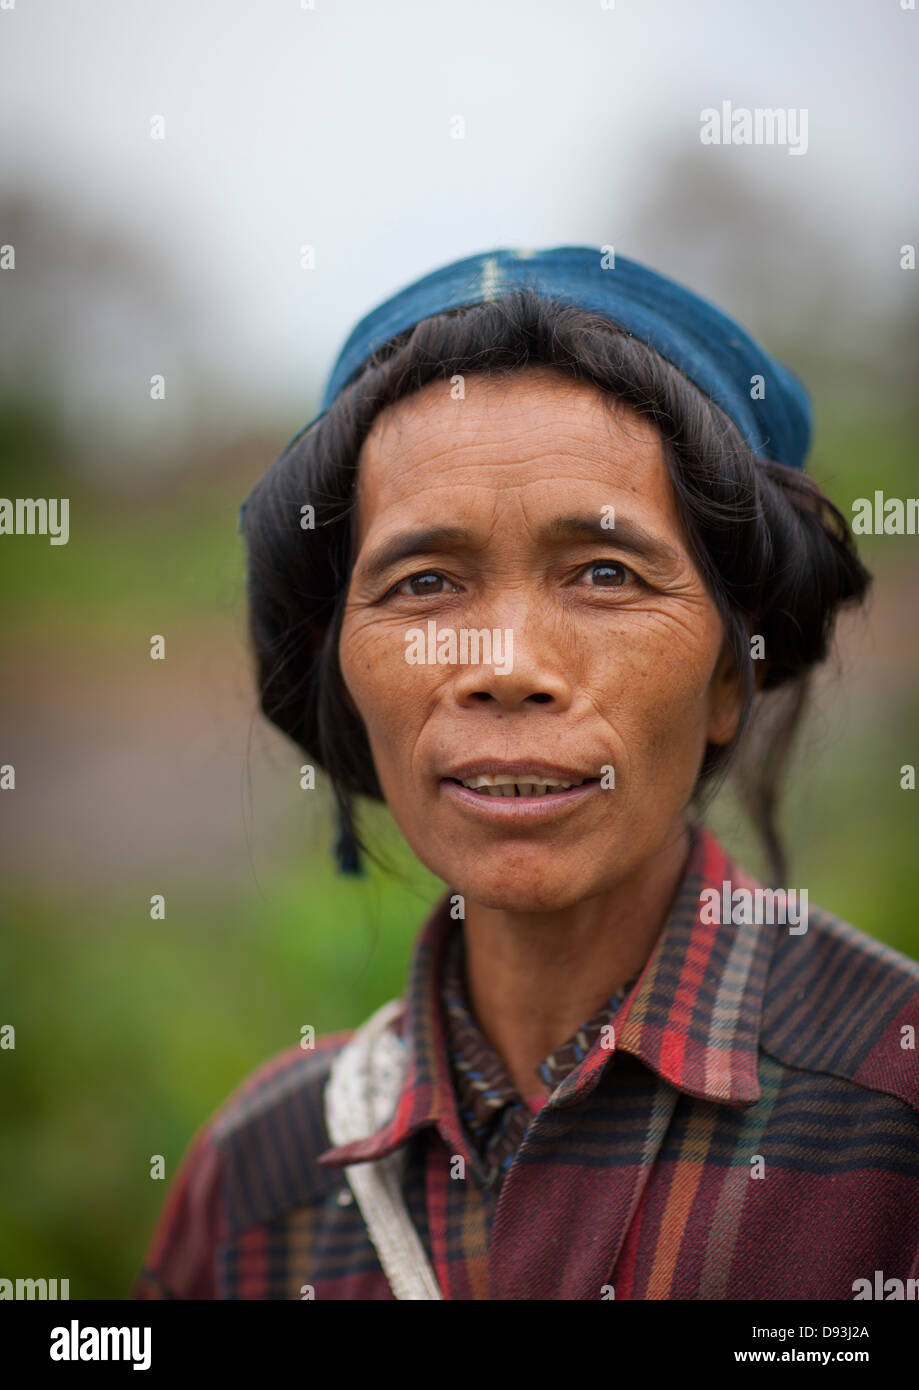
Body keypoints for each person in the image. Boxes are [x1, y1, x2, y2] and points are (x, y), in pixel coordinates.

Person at [133, 248, 919, 1300]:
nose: (505, 668)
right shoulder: (257, 1179)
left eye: (605, 573)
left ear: (733, 670)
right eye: (424, 583)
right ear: (343, 680)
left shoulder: (892, 1121)